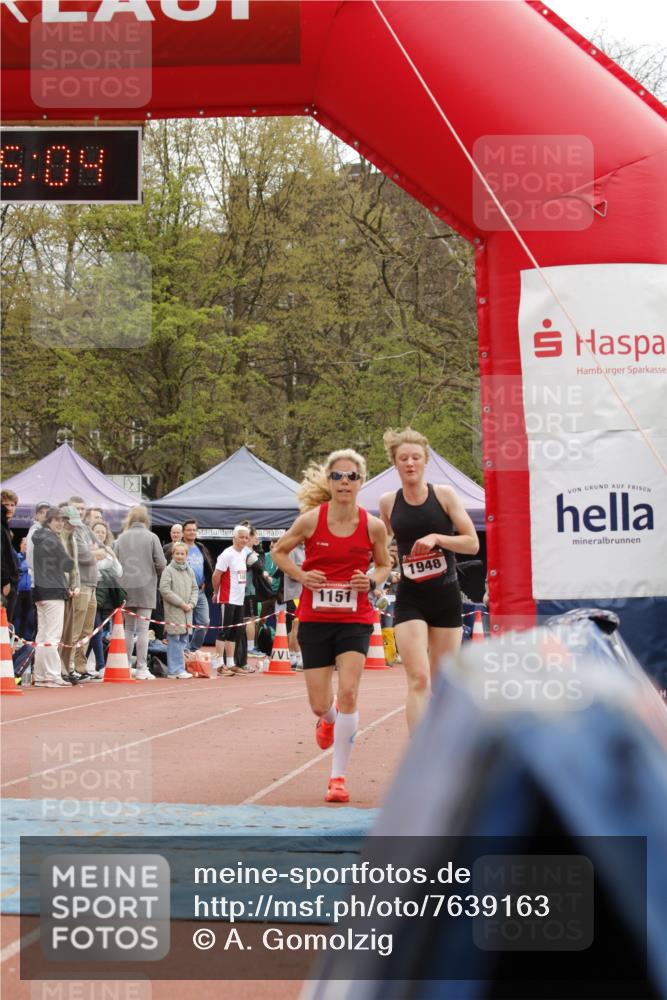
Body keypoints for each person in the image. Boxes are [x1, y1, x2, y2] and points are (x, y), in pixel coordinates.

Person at [272, 449, 390, 804]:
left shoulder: (373, 526)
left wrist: (370, 582)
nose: (344, 482)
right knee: (319, 703)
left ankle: (337, 777)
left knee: (351, 692)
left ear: (361, 482)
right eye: (337, 476)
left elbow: (384, 565)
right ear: (328, 481)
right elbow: (279, 552)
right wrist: (301, 575)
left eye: (351, 476)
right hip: (316, 619)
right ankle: (329, 719)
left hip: (355, 619)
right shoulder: (311, 520)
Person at [378, 427, 479, 733]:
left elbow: (471, 543)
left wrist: (438, 537)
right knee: (418, 678)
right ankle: (419, 757)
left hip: (446, 596)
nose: (410, 463)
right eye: (403, 458)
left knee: (442, 683)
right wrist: (384, 563)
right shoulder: (388, 502)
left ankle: (444, 746)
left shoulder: (444, 495)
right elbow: (384, 545)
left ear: (425, 462)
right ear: (395, 463)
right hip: (411, 598)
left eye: (416, 458)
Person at [114, 505, 166, 681]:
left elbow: (114, 563)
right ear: (146, 519)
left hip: (125, 587)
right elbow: (161, 563)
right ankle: (142, 667)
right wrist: (153, 574)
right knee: (143, 629)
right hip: (146, 587)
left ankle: (126, 664)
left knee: (128, 629)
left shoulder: (121, 539)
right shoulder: (152, 537)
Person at [32, 508, 74, 688]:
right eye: (56, 520)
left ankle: (41, 675)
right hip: (53, 591)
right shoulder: (53, 539)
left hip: (40, 590)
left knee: (43, 635)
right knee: (52, 636)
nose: (60, 523)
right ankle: (52, 675)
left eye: (62, 520)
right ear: (48, 521)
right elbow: (68, 565)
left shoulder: (38, 538)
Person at [212, 524, 251, 674]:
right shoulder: (227, 554)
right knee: (224, 631)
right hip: (227, 598)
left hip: (239, 599)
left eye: (246, 537)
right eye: (241, 537)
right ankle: (220, 665)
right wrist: (216, 592)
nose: (244, 540)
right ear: (234, 537)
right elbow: (216, 575)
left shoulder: (244, 553)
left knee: (235, 631)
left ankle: (231, 663)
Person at [159, 541, 199, 679]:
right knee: (174, 639)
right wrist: (182, 603)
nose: (180, 556)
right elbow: (164, 590)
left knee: (183, 640)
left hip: (188, 611)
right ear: (173, 554)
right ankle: (174, 670)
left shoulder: (190, 570)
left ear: (186, 555)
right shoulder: (168, 570)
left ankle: (179, 668)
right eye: (177, 553)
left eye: (182, 554)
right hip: (174, 611)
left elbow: (195, 588)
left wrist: (192, 603)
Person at [88, 520, 123, 668]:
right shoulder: (88, 548)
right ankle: (101, 665)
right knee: (95, 630)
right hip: (91, 592)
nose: (100, 534)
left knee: (97, 630)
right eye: (97, 532)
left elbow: (119, 572)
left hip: (105, 597)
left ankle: (92, 664)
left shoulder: (109, 550)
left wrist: (113, 557)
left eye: (103, 532)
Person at [179, 520, 214, 655]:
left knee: (204, 622)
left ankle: (193, 649)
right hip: (183, 591)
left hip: (200, 591)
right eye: (189, 530)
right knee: (185, 625)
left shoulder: (200, 547)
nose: (192, 532)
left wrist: (207, 582)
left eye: (194, 530)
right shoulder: (178, 547)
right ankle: (185, 651)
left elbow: (208, 565)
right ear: (183, 532)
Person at [1, 489, 19, 624]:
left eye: (13, 505)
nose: (10, 508)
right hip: (4, 584)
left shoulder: (5, 526)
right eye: (6, 504)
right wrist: (5, 580)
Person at [14, 537, 36, 642]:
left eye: (28, 545)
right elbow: (17, 569)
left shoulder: (33, 559)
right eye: (25, 544)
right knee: (17, 614)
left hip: (29, 590)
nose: (27, 546)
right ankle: (15, 636)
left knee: (27, 615)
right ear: (21, 545)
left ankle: (23, 638)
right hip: (19, 589)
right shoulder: (17, 557)